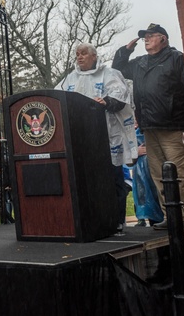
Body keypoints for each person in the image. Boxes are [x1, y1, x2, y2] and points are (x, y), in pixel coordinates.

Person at [113, 23, 184, 230]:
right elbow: (118, 70)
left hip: (175, 127)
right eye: (144, 36)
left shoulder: (177, 59)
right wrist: (124, 51)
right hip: (150, 128)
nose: (146, 39)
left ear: (163, 38)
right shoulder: (140, 63)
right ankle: (170, 215)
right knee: (159, 174)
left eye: (151, 36)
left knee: (182, 174)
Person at [58, 43, 138, 233]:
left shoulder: (109, 74)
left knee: (112, 179)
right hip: (82, 139)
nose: (79, 57)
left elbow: (122, 97)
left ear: (94, 56)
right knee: (86, 181)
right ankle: (91, 219)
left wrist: (107, 102)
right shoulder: (70, 78)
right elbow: (57, 97)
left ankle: (117, 220)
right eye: (77, 54)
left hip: (108, 136)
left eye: (84, 53)